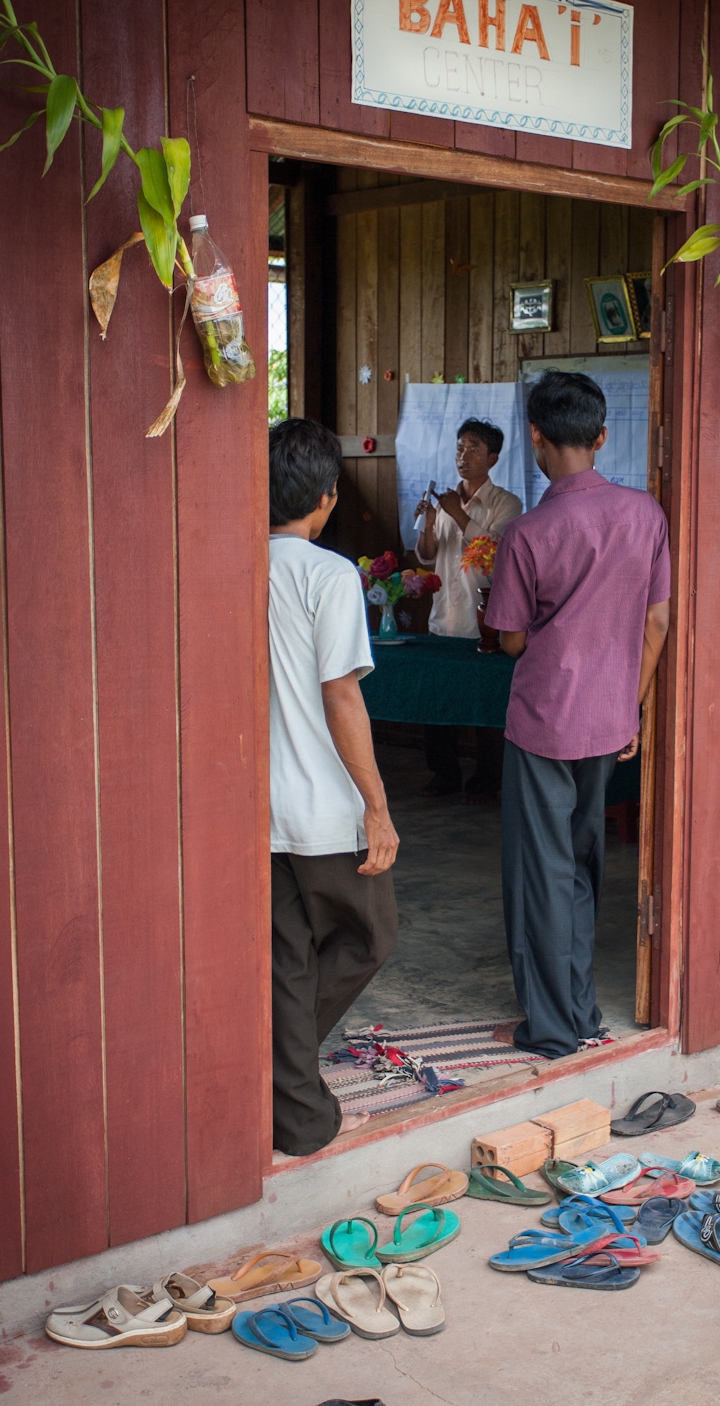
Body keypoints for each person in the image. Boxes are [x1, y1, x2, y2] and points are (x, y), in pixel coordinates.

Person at [486, 372, 670, 1059]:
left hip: (542, 721)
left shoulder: (528, 532)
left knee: (540, 874)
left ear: (535, 438)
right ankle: (583, 1010)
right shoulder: (645, 515)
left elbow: (508, 638)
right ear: (600, 436)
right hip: (609, 721)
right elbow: (658, 620)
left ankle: (552, 1027)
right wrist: (633, 707)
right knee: (583, 869)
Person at [268, 417, 399, 1156]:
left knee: (288, 957)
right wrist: (377, 808)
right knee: (370, 935)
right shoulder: (327, 573)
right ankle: (285, 1081)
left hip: (253, 808)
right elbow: (341, 694)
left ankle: (293, 1108)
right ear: (324, 499)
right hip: (320, 807)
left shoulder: (230, 563)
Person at [414, 417, 522, 802]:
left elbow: (494, 553)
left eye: (474, 448)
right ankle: (444, 775)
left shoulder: (506, 503)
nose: (463, 455)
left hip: (485, 624)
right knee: (436, 702)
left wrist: (457, 513)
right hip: (444, 616)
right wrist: (428, 524)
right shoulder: (443, 502)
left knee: (486, 708)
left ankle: (486, 781)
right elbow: (428, 558)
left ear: (492, 458)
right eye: (460, 447)